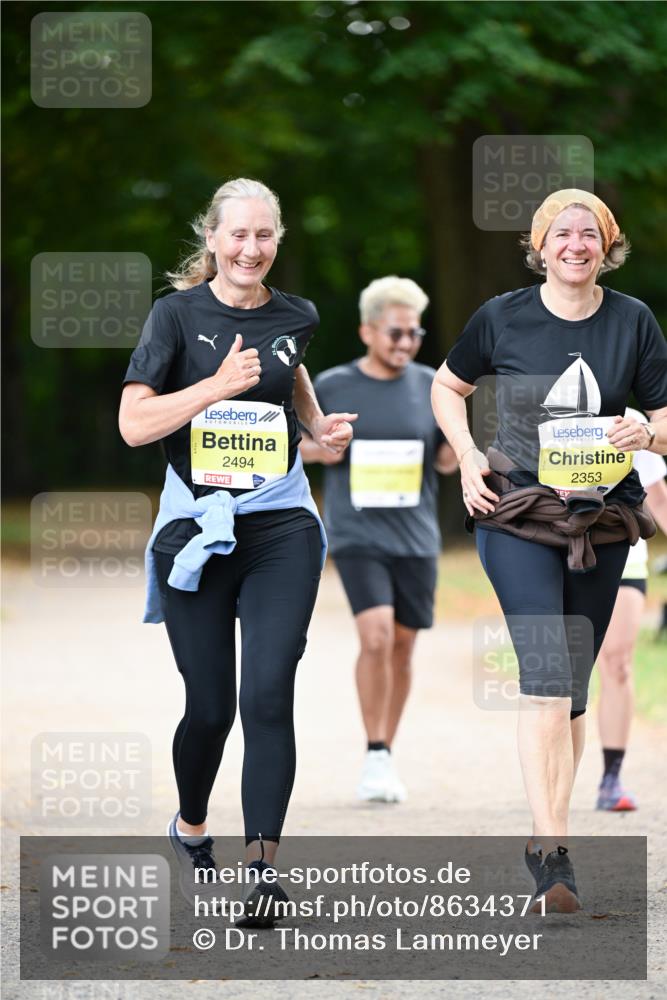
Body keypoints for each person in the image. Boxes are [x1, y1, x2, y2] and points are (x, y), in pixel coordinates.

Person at [118, 178, 356, 919]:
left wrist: (316, 426)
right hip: (196, 528)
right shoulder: (176, 316)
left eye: (264, 235)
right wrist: (213, 388)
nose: (251, 249)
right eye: (238, 235)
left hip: (280, 525)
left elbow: (290, 370)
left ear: (277, 239)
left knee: (267, 693)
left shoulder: (297, 314)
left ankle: (262, 871)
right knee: (211, 707)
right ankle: (191, 825)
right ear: (213, 239)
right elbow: (134, 425)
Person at [431, 189, 667, 912]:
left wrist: (647, 434)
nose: (575, 244)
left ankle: (546, 836)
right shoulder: (501, 316)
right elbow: (446, 387)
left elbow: (665, 419)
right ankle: (555, 854)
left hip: (602, 522)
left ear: (607, 245)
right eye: (561, 233)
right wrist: (468, 454)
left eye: (589, 233)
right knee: (545, 676)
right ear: (539, 246)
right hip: (516, 515)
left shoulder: (632, 320)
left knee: (572, 691)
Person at [301, 277, 456, 803]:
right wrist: (326, 448)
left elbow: (444, 460)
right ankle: (373, 753)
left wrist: (465, 442)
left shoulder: (432, 385)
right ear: (367, 331)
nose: (406, 342)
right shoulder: (333, 384)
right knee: (376, 637)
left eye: (415, 333)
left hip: (416, 537)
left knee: (404, 645)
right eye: (395, 332)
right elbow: (293, 446)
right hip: (357, 533)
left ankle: (387, 749)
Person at [596, 407, 667, 811]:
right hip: (560, 554)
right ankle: (553, 780)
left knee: (618, 663)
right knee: (565, 675)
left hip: (626, 555)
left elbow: (659, 500)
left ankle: (611, 778)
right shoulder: (550, 411)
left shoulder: (634, 421)